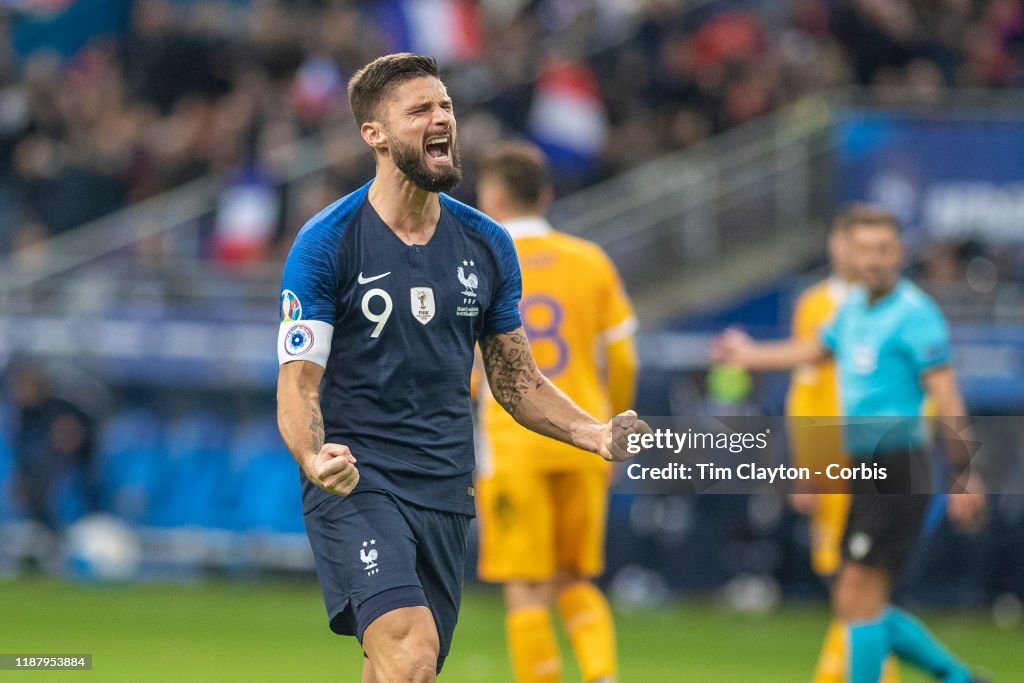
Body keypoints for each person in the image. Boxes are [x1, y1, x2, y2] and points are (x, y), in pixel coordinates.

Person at [275, 53, 651, 683]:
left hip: (446, 485)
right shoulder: (327, 241)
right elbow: (298, 382)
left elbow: (516, 380)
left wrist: (596, 433)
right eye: (420, 109)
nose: (442, 118)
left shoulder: (488, 244)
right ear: (376, 134)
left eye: (445, 105)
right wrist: (314, 457)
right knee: (411, 654)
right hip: (358, 480)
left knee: (396, 665)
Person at [713, 204, 988, 683]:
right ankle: (957, 676)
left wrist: (964, 473)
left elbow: (948, 396)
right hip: (864, 463)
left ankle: (952, 674)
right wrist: (750, 354)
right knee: (856, 598)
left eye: (883, 249)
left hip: (899, 464)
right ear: (850, 255)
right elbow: (812, 351)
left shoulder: (915, 313)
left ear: (900, 252)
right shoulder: (854, 308)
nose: (874, 260)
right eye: (864, 249)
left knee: (858, 596)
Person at [474, 141, 638, 683]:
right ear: (545, 194)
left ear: (492, 196)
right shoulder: (589, 261)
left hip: (514, 441)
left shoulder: (481, 260)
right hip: (587, 433)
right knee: (575, 578)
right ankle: (602, 675)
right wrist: (613, 428)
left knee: (526, 587)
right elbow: (623, 355)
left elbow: (468, 366)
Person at [785, 216, 899, 682]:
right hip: (832, 456)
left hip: (885, 456)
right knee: (851, 582)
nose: (857, 254)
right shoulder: (816, 306)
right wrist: (807, 466)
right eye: (850, 242)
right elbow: (804, 390)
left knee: (861, 584)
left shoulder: (899, 307)